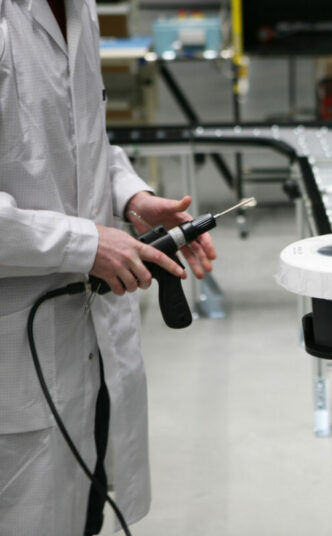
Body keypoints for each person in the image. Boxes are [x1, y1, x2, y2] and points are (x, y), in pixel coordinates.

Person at [0, 1, 216, 534]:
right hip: (17, 361)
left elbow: (84, 138)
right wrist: (84, 243)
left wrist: (131, 197)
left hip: (88, 348)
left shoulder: (80, 10)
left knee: (84, 507)